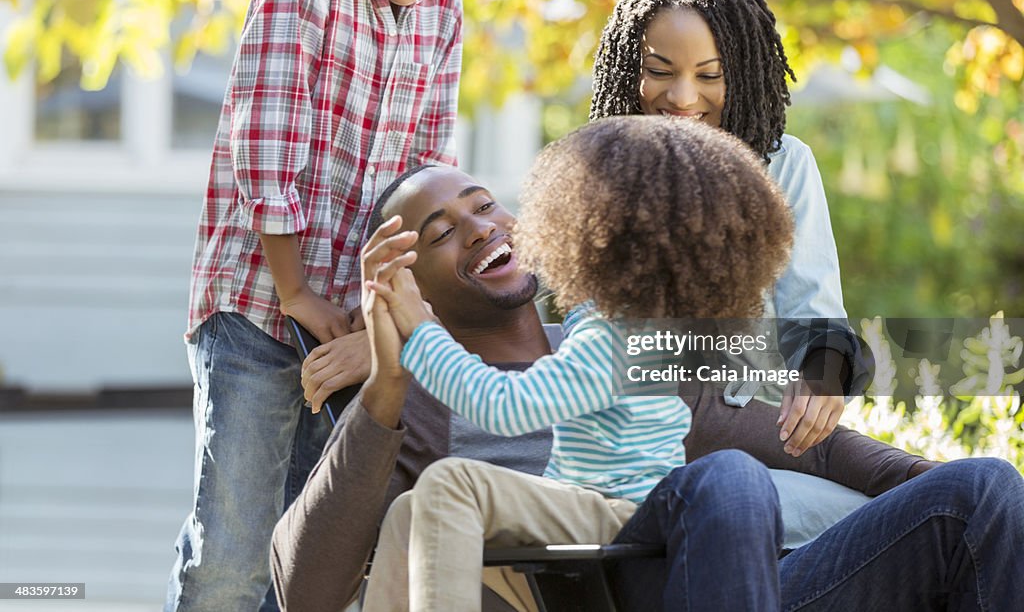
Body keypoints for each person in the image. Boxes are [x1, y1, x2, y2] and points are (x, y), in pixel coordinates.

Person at [272, 157, 972, 612]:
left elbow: (807, 446)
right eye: (441, 232)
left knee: (980, 491)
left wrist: (930, 483)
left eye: (484, 205)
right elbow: (306, 589)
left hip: (700, 587)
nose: (480, 228)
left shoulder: (622, 347)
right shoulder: (417, 403)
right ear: (408, 284)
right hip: (560, 590)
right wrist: (389, 378)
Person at [166, 0, 472, 610]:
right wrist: (295, 288)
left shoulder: (443, 11)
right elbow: (264, 151)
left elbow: (428, 177)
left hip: (345, 330)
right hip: (258, 310)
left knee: (306, 559)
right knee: (231, 555)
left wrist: (383, 327)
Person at [590, 0, 863, 457]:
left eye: (710, 75)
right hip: (639, 430)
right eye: (659, 72)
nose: (683, 97)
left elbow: (815, 315)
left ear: (741, 74)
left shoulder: (782, 166)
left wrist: (824, 372)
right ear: (627, 69)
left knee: (913, 483)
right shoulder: (600, 171)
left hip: (764, 422)